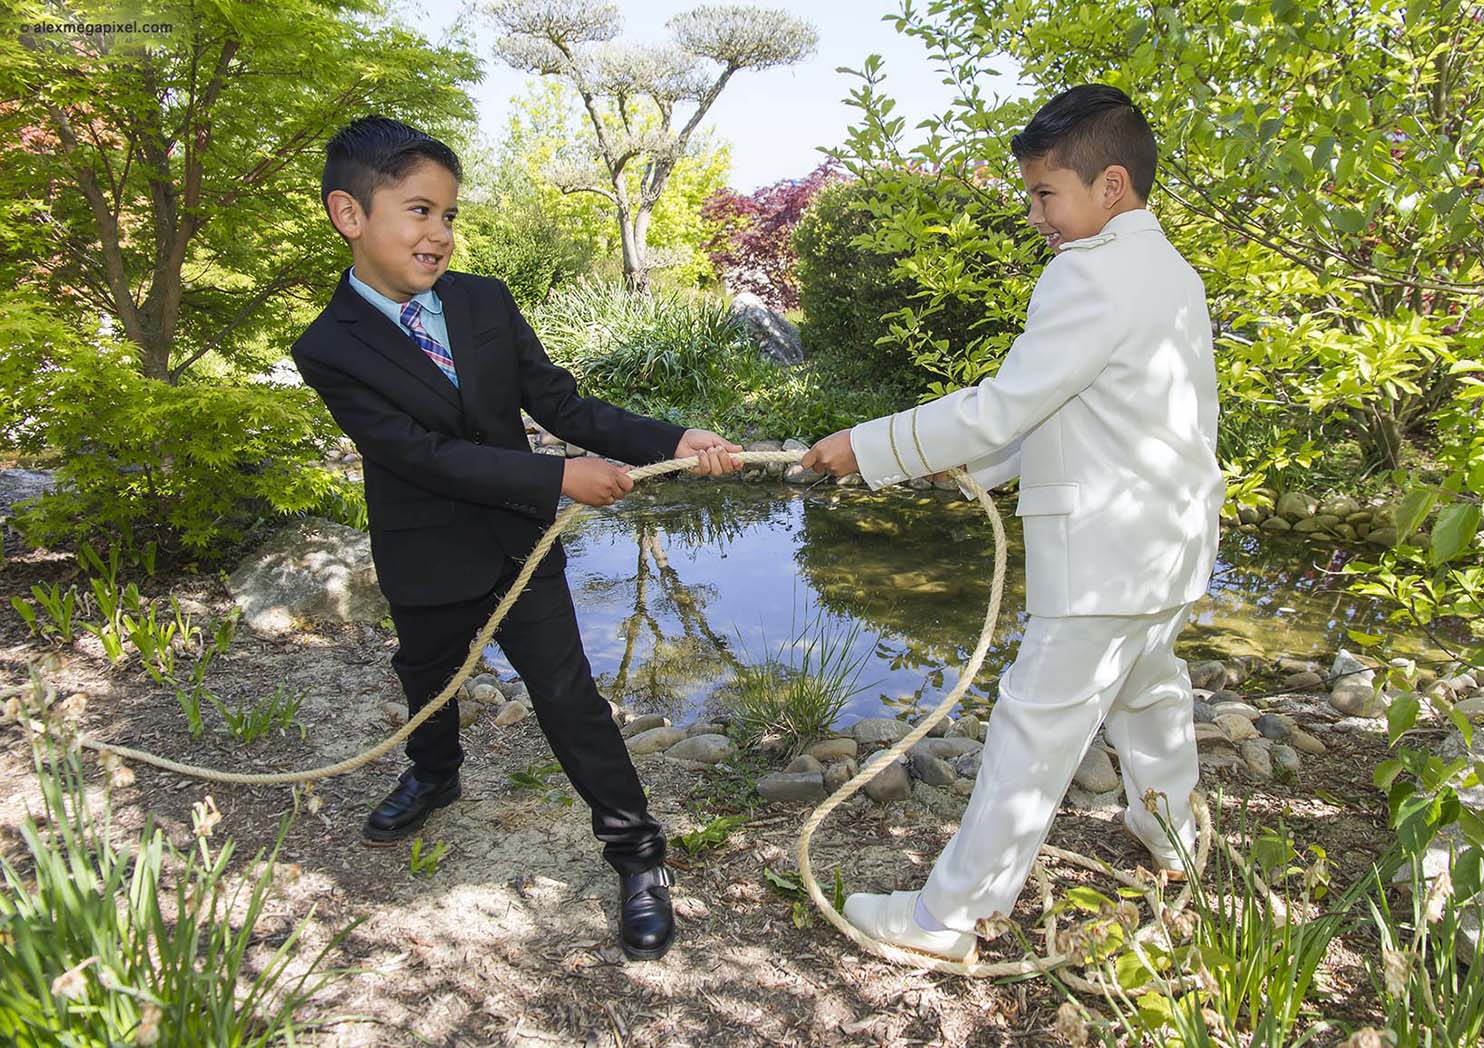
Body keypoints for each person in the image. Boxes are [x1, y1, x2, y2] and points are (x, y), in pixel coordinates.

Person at [292, 115, 742, 961]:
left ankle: (637, 854)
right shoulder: (327, 346)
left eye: (450, 217)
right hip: (425, 547)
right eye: (420, 211)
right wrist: (557, 477)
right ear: (349, 214)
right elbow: (417, 455)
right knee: (427, 674)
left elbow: (562, 406)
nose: (440, 235)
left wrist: (670, 440)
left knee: (568, 694)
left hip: (518, 547)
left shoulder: (483, 301)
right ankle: (435, 772)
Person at [801, 85, 1224, 962]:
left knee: (1032, 732)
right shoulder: (1171, 272)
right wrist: (980, 466)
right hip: (1170, 550)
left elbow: (1004, 407)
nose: (1034, 214)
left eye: (1044, 194)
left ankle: (948, 920)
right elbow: (1092, 410)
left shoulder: (1090, 273)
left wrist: (868, 448)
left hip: (1104, 559)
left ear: (1111, 186)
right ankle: (1176, 842)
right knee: (1149, 694)